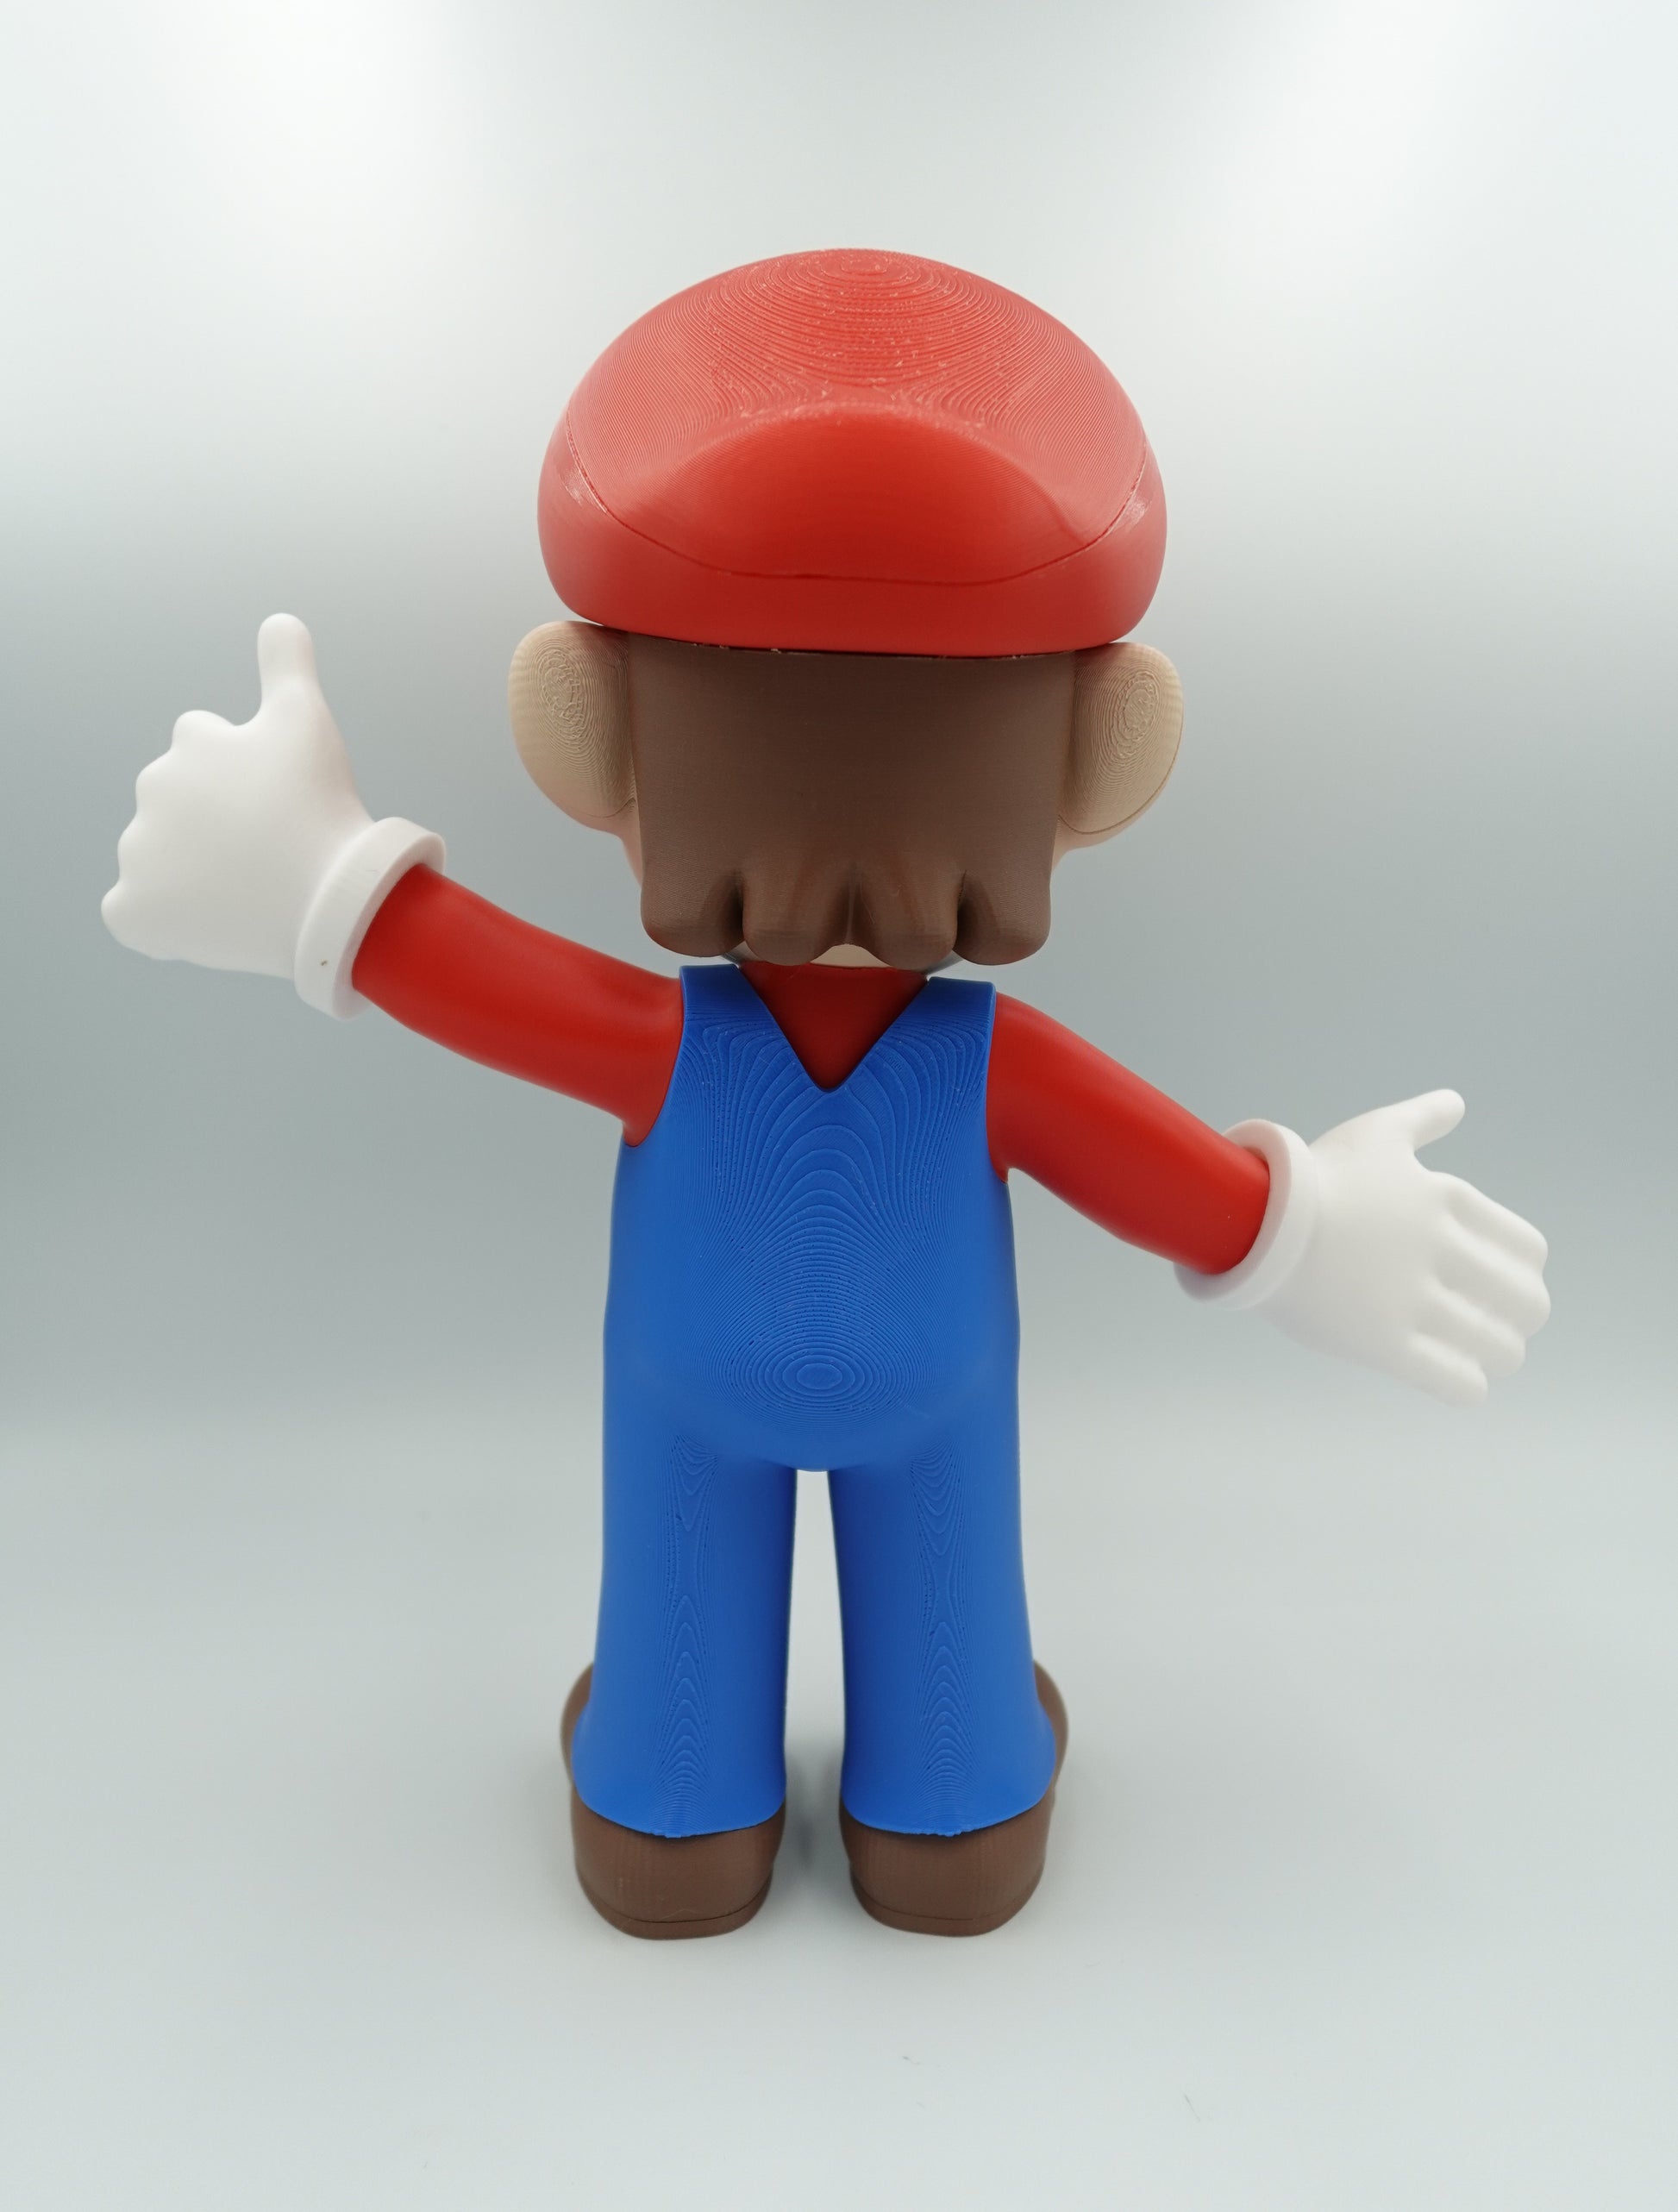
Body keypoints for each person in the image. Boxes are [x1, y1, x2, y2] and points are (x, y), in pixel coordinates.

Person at [103, 249, 1550, 1940]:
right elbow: (1173, 1180)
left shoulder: (662, 1040)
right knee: (955, 1670)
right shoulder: (995, 1063)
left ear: (591, 735)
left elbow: (452, 968)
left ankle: (670, 1808)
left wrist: (306, 869)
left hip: (684, 1386)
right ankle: (955, 1809)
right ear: (1099, 755)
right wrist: (1310, 1231)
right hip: (938, 1399)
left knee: (669, 1669)